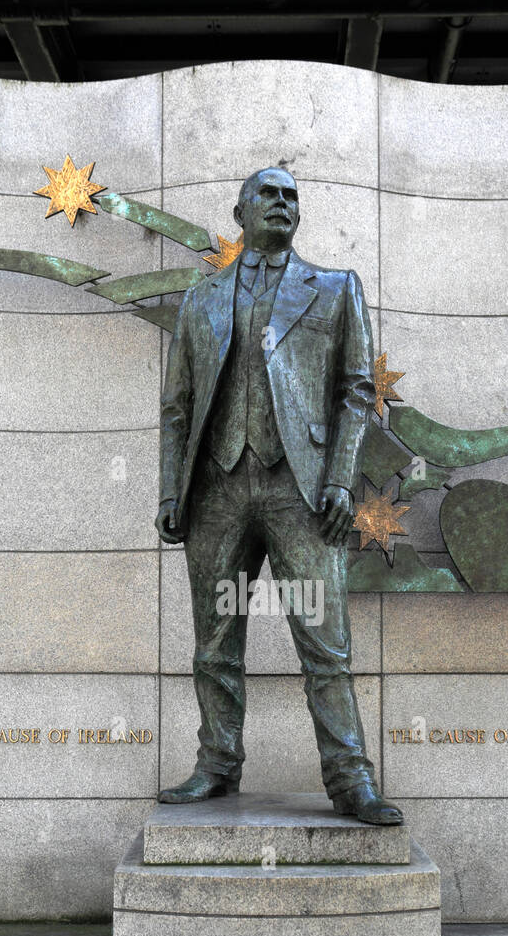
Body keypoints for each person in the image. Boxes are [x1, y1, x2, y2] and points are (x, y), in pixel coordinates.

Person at [154, 166, 402, 826]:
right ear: (240, 212)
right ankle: (216, 765)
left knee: (325, 643)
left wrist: (341, 477)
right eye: (269, 194)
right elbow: (176, 407)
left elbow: (356, 392)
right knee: (214, 641)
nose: (283, 204)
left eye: (292, 196)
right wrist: (170, 490)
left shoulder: (336, 290)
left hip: (303, 491)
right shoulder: (200, 299)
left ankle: (351, 780)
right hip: (216, 489)